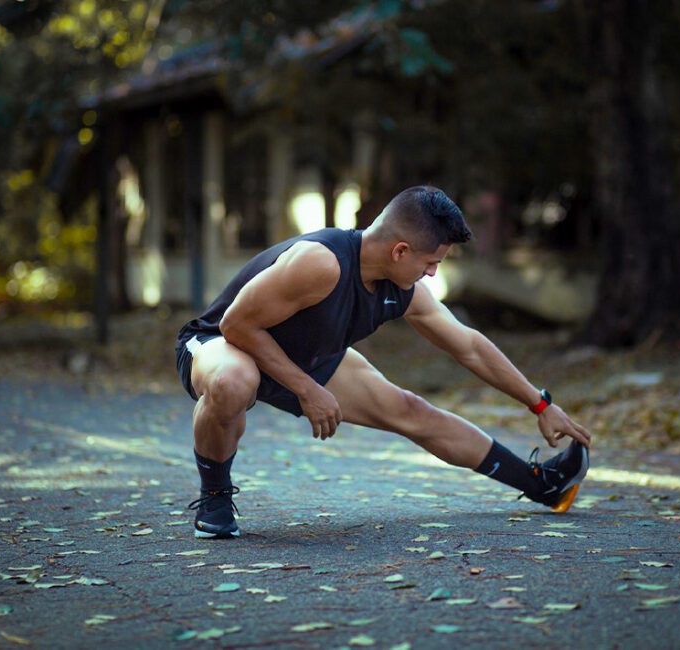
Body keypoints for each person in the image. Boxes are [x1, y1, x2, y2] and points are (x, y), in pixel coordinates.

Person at [175, 185, 592, 539]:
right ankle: (215, 498)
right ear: (400, 250)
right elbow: (237, 326)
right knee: (235, 380)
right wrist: (306, 389)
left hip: (308, 359)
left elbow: (469, 346)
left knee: (411, 410)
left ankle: (542, 485)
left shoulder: (401, 287)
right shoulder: (321, 263)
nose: (432, 273)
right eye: (431, 263)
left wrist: (539, 404)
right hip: (223, 344)